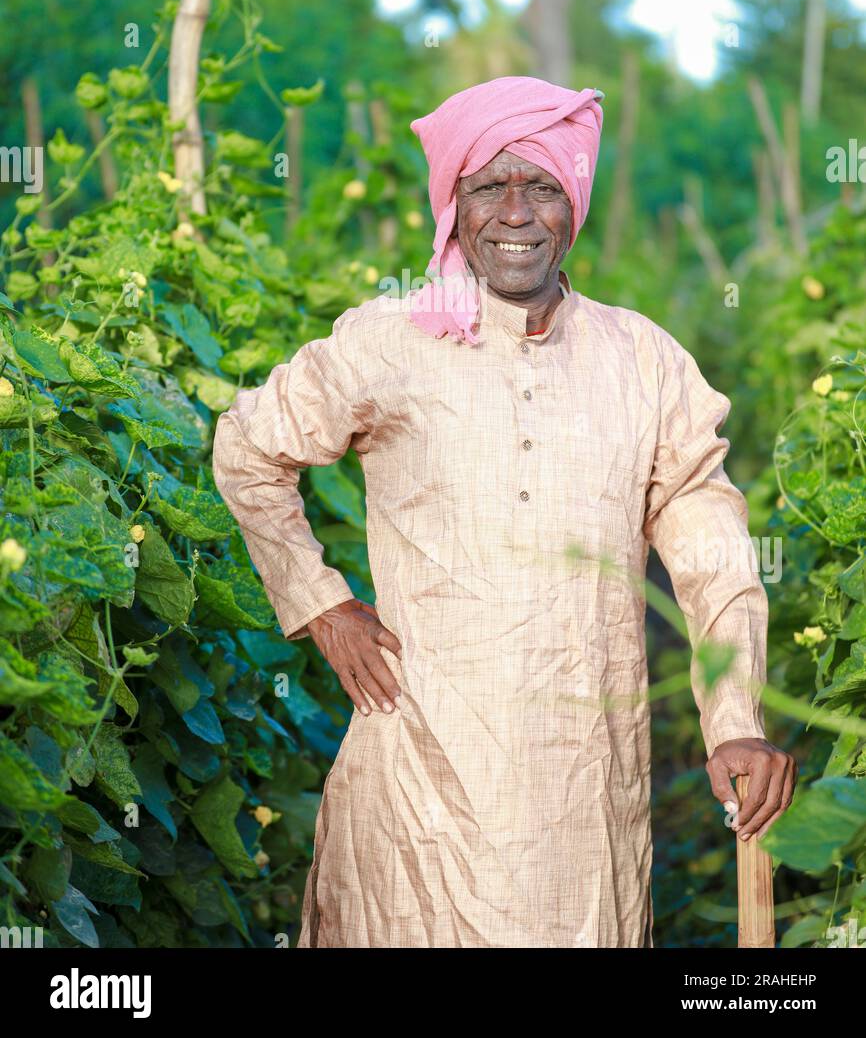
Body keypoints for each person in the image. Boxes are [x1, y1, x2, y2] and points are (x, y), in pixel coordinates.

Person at [212, 75, 796, 948]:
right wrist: (320, 604)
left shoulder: (643, 362)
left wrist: (735, 723)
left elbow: (714, 559)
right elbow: (247, 447)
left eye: (545, 186)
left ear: (577, 201)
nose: (516, 212)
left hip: (579, 792)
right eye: (490, 185)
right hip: (417, 776)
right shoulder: (390, 338)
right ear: (455, 203)